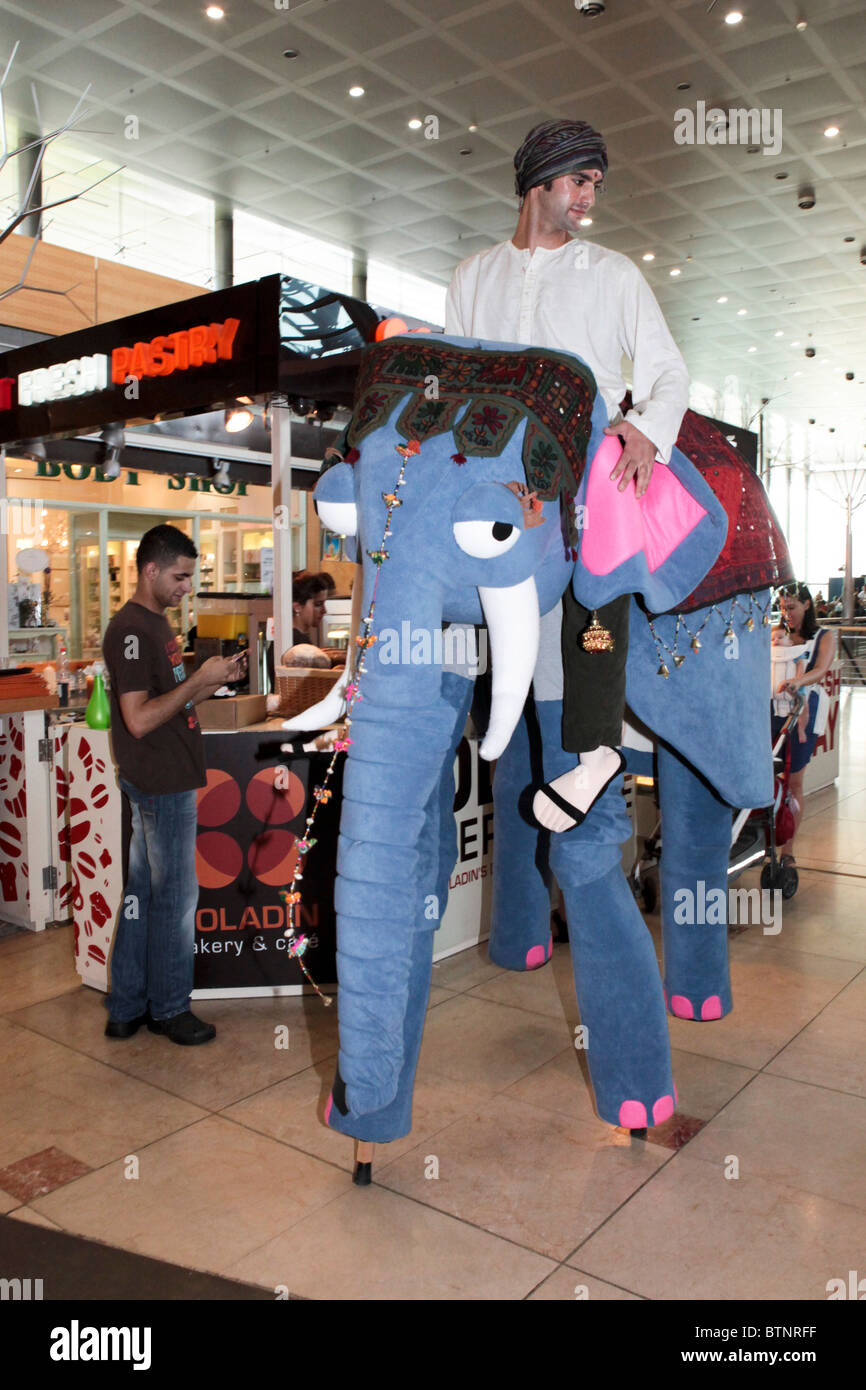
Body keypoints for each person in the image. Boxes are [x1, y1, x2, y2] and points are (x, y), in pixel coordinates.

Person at [445, 118, 690, 831]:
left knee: (594, 578)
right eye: (580, 180)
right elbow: (460, 381)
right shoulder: (474, 275)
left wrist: (644, 427)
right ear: (539, 181)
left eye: (596, 184)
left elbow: (666, 372)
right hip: (493, 478)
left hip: (584, 473)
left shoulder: (613, 273)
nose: (590, 196)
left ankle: (595, 747)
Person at [101, 524, 246, 1044]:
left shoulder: (154, 625)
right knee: (175, 901)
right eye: (181, 577)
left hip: (163, 779)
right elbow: (138, 719)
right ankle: (168, 1008)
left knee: (143, 894)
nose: (188, 586)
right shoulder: (134, 630)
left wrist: (207, 684)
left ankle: (126, 1006)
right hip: (160, 784)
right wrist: (200, 681)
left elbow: (166, 706)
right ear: (152, 570)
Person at [771, 582, 836, 865]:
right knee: (766, 778)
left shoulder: (824, 636)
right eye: (783, 608)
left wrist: (798, 681)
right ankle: (764, 839)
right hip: (771, 710)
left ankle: (788, 850)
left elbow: (820, 669)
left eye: (793, 607)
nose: (787, 613)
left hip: (802, 712)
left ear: (807, 605)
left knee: (794, 780)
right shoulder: (774, 634)